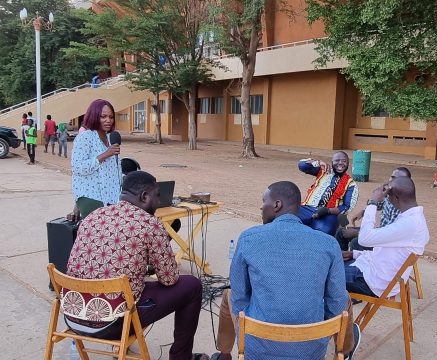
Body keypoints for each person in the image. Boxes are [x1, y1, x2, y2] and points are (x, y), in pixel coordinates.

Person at [65, 171, 208, 360]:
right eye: (158, 196)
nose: (159, 203)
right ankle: (181, 357)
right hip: (112, 323)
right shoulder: (149, 224)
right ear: (144, 196)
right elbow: (169, 278)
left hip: (73, 316)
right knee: (192, 286)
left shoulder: (92, 216)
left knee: (130, 285)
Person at [210, 181, 360, 360]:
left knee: (230, 295)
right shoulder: (328, 243)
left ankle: (224, 355)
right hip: (312, 351)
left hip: (257, 348)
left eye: (263, 201)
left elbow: (240, 297)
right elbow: (335, 304)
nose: (260, 206)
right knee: (343, 298)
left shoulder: (249, 238)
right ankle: (343, 351)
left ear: (276, 205)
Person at [343, 177, 429, 297]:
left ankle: (333, 314)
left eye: (388, 196)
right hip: (372, 272)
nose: (387, 199)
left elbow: (364, 239)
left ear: (396, 198)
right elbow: (385, 255)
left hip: (373, 282)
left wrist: (373, 202)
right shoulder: (411, 218)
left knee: (319, 274)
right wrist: (355, 254)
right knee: (327, 264)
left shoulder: (410, 224)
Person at [336, 167, 412, 251]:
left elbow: (388, 235)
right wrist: (363, 212)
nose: (392, 180)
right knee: (341, 233)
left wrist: (358, 233)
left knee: (356, 242)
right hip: (380, 232)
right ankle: (340, 261)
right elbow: (379, 204)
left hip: (386, 243)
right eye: (392, 177)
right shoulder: (390, 194)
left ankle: (357, 262)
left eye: (398, 179)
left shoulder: (402, 206)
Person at [71, 99, 122, 219]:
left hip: (112, 196)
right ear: (94, 116)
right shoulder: (86, 137)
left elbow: (114, 170)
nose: (108, 120)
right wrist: (104, 155)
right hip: (91, 195)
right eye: (103, 116)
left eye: (111, 117)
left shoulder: (110, 138)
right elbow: (77, 167)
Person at [297, 151, 359, 235]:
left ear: (348, 163)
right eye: (337, 160)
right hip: (307, 208)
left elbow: (347, 207)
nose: (340, 163)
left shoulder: (351, 184)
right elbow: (301, 165)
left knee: (325, 231)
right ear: (332, 162)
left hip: (328, 214)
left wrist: (327, 210)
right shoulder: (323, 171)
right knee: (287, 218)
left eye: (344, 161)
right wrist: (318, 162)